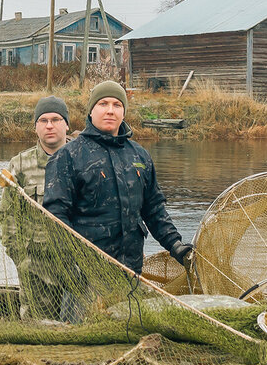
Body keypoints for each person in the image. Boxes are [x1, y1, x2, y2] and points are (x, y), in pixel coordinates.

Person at [43, 81, 194, 275]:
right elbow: (56, 216)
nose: (110, 111)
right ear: (91, 111)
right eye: (103, 104)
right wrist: (72, 262)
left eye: (117, 105)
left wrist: (175, 244)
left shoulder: (140, 156)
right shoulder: (68, 156)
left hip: (131, 270)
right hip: (86, 273)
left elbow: (154, 209)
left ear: (123, 112)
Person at [0, 96, 70, 318]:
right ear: (35, 128)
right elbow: (7, 216)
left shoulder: (82, 159)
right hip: (36, 265)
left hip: (75, 264)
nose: (50, 125)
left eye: (56, 119)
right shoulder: (19, 164)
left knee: (78, 324)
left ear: (67, 125)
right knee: (37, 325)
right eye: (43, 120)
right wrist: (22, 259)